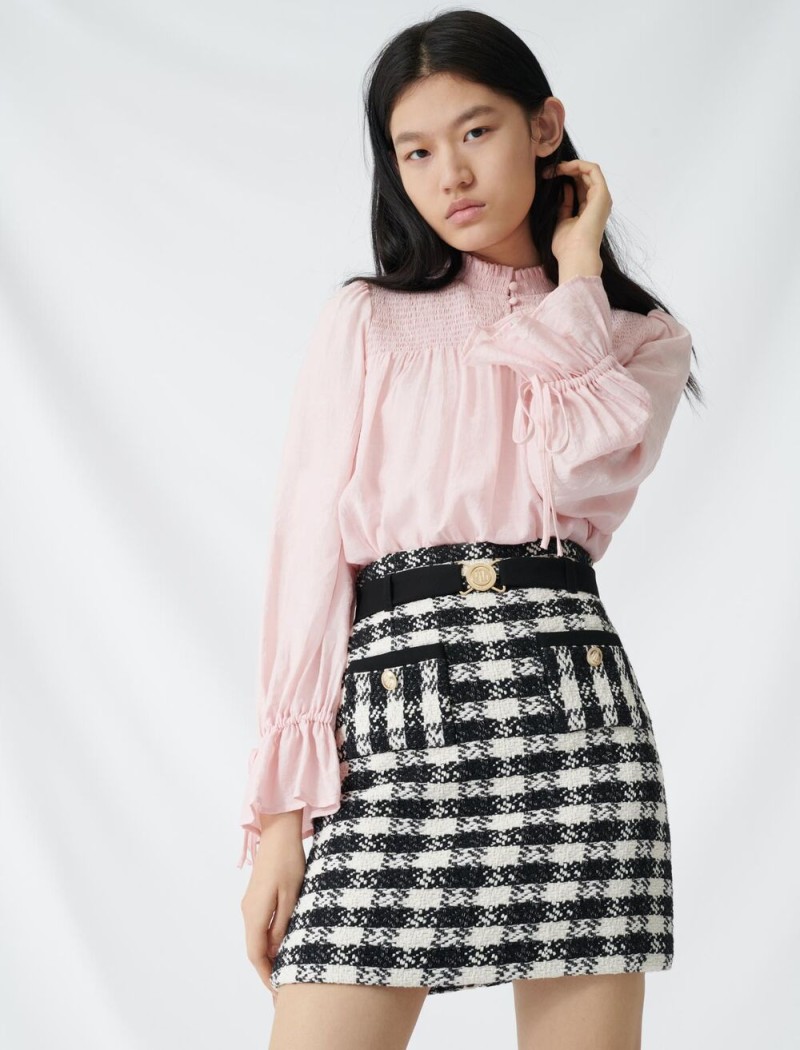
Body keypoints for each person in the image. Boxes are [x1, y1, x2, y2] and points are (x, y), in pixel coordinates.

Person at [238, 10, 703, 1050]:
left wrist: (574, 281)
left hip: (570, 724)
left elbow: (572, 467)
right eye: (414, 151)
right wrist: (279, 825)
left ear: (545, 128)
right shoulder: (367, 321)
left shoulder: (638, 340)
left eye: (476, 131)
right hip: (391, 718)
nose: (448, 173)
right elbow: (307, 557)